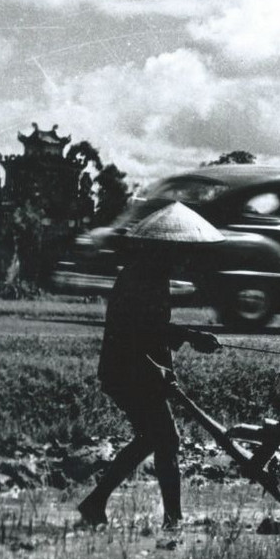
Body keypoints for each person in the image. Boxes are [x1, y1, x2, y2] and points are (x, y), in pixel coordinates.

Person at [78, 202, 223, 529]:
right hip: (128, 371)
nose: (187, 258)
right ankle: (173, 520)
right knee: (166, 440)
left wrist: (186, 340)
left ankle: (95, 503)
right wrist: (178, 344)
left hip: (132, 370)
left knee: (150, 439)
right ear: (167, 247)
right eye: (183, 250)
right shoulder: (142, 277)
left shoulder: (152, 273)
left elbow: (154, 329)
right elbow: (137, 332)